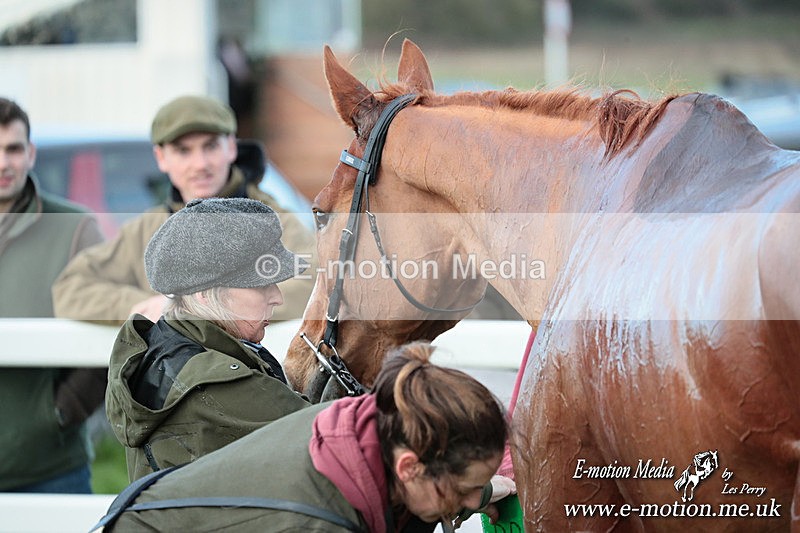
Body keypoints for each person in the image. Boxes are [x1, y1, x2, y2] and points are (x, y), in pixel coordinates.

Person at [94, 341, 514, 532]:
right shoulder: (316, 520)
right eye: (463, 489)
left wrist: (478, 493)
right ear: (409, 465)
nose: (466, 500)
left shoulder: (366, 424)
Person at [52, 94, 316, 325]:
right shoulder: (147, 229)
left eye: (210, 146)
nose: (200, 164)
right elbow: (70, 289)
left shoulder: (272, 221)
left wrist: (187, 310)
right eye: (183, 151)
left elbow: (313, 283)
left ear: (231, 148)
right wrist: (145, 306)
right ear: (161, 158)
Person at [106, 197, 311, 481]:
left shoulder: (165, 345)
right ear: (204, 292)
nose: (276, 297)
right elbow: (336, 436)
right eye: (260, 284)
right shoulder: (216, 383)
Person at [0, 97, 105, 493]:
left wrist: (60, 412)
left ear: (30, 153)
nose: (3, 163)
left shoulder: (75, 229)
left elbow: (116, 330)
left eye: (12, 148)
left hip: (50, 472)